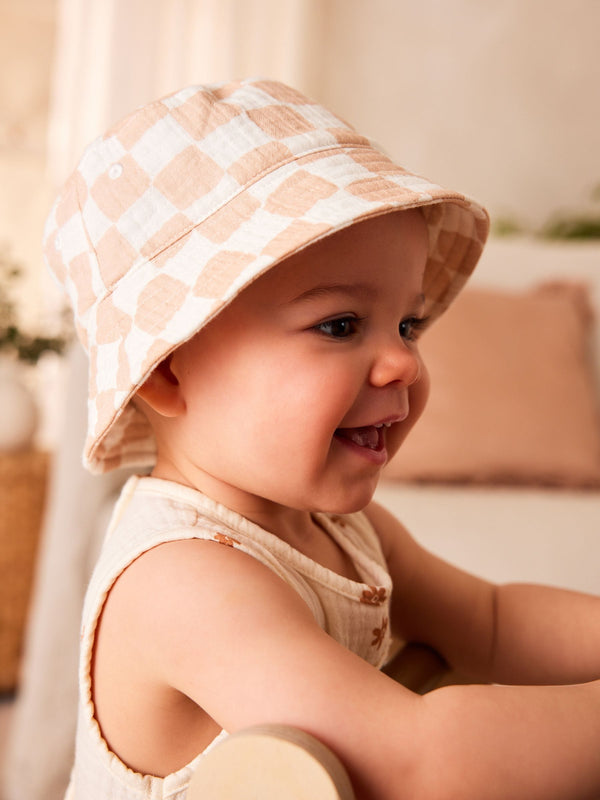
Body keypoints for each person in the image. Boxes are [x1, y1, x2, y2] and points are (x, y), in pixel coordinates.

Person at [44, 78, 600, 800]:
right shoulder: (181, 582)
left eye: (409, 324)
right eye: (340, 325)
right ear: (168, 373)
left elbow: (492, 622)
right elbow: (424, 763)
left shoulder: (345, 530)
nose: (403, 360)